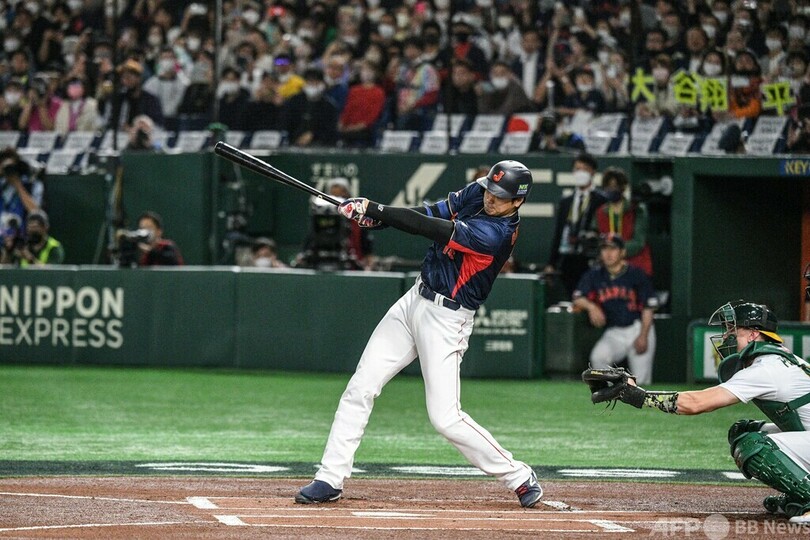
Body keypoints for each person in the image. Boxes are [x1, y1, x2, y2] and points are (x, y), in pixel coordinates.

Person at [295, 161, 543, 509]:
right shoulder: (479, 191)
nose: (490, 197)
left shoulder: (496, 235)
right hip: (414, 299)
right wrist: (377, 219)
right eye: (490, 189)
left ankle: (518, 475)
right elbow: (431, 212)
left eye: (500, 196)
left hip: (447, 319)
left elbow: (430, 228)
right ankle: (330, 477)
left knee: (446, 419)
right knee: (360, 386)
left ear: (518, 202)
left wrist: (374, 209)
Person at [596, 299, 810, 524]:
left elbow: (696, 403)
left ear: (753, 335)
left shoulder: (766, 368)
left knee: (752, 445)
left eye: (733, 331)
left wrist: (639, 396)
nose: (727, 336)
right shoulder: (782, 360)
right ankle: (798, 494)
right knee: (743, 430)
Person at [573, 233, 658, 385]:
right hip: (615, 332)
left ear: (622, 252)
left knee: (641, 383)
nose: (608, 253)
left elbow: (648, 307)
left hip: (638, 328)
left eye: (613, 249)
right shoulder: (595, 275)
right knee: (598, 358)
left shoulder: (636, 274)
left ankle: (629, 391)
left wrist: (643, 335)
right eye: (604, 249)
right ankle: (613, 391)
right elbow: (577, 297)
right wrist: (592, 307)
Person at [545, 152, 608, 297]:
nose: (581, 173)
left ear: (593, 172)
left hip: (590, 259)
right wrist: (551, 263)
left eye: (585, 169)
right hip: (568, 258)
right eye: (577, 169)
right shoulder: (566, 201)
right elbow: (559, 232)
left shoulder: (601, 200)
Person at [593, 167, 653, 277]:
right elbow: (597, 238)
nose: (611, 189)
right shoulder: (600, 212)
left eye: (615, 186)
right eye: (608, 186)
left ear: (623, 187)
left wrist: (617, 252)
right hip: (609, 268)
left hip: (635, 265)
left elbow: (639, 242)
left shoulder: (636, 210)